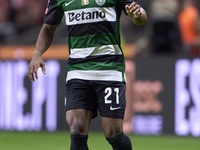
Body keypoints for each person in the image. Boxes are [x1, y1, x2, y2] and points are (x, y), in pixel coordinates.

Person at [28, 0, 147, 149]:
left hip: (109, 69)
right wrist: (37, 53)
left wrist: (137, 16)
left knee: (113, 133)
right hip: (78, 70)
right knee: (77, 127)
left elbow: (141, 17)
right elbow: (48, 28)